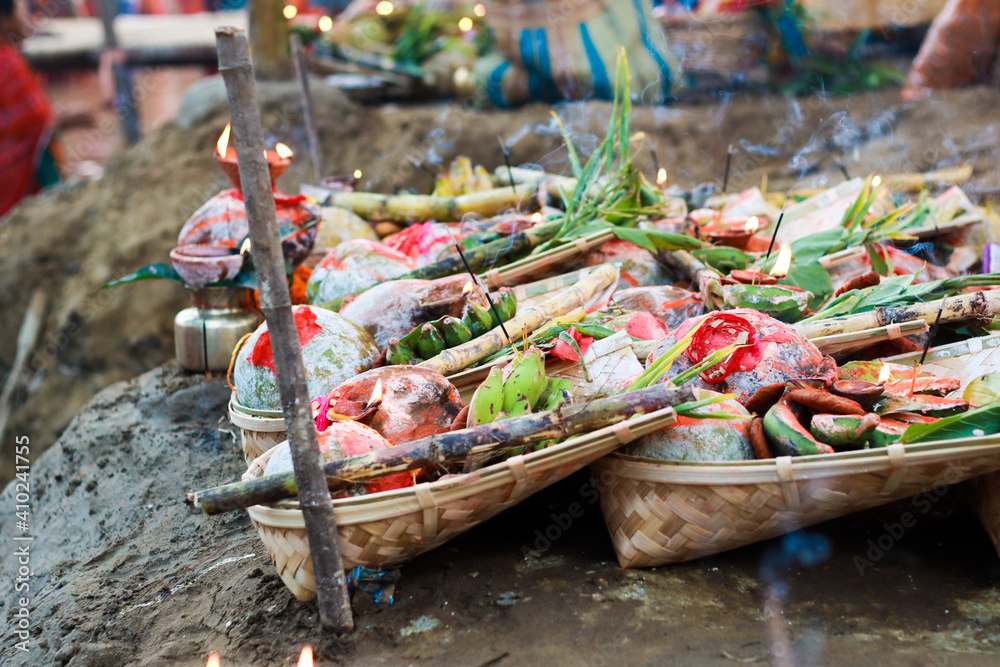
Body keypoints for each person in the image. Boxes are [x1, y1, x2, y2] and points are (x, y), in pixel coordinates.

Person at [0, 0, 59, 218]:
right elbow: (34, 121)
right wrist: (60, 120)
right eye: (21, 12)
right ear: (5, 20)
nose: (27, 19)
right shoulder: (8, 63)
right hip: (13, 182)